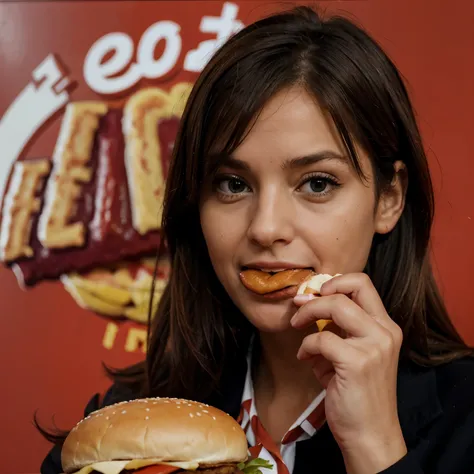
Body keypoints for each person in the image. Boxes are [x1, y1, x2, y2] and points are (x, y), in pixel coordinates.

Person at [40, 5, 474, 474]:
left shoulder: (466, 418)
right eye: (233, 184)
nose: (266, 229)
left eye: (317, 183)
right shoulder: (127, 423)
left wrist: (374, 448)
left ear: (389, 198)